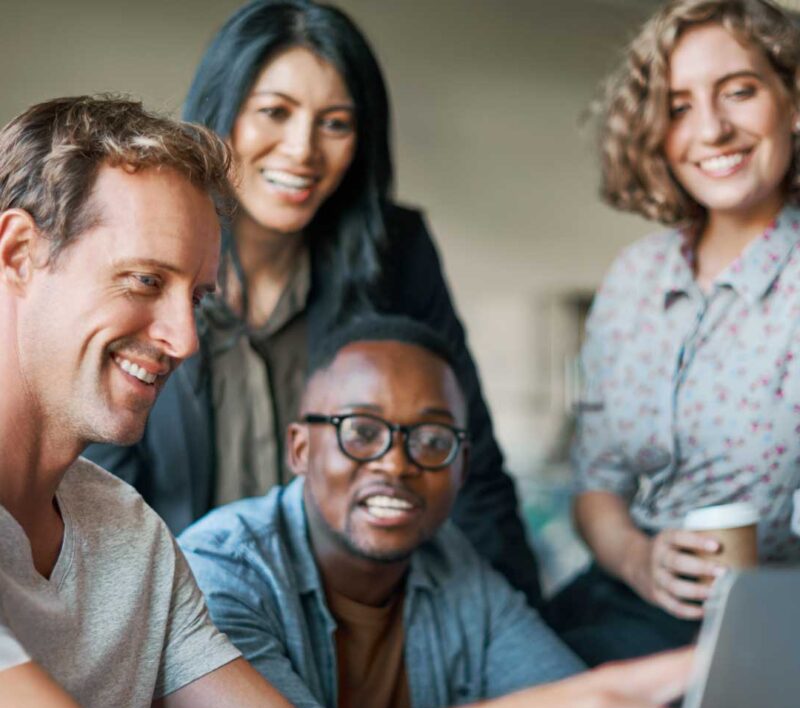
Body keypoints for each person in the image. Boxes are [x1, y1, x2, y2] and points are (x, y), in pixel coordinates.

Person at [0, 93, 689, 708]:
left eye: (197, 298)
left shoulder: (129, 538)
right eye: (145, 281)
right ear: (19, 252)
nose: (185, 339)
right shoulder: (220, 556)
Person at [84, 0, 543, 607]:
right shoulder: (144, 260)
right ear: (222, 115)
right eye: (275, 112)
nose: (303, 149)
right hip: (178, 613)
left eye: (335, 123)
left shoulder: (396, 255)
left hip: (353, 615)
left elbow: (468, 461)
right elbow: (98, 488)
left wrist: (520, 629)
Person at [139, 315, 584, 708]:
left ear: (462, 468)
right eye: (362, 432)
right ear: (301, 450)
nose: (395, 465)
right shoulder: (218, 568)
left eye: (432, 439)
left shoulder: (453, 565)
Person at [546, 0, 800, 666]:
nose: (712, 129)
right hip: (621, 598)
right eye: (680, 105)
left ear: (793, 101)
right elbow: (596, 483)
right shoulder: (634, 279)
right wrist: (637, 558)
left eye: (739, 92)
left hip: (765, 622)